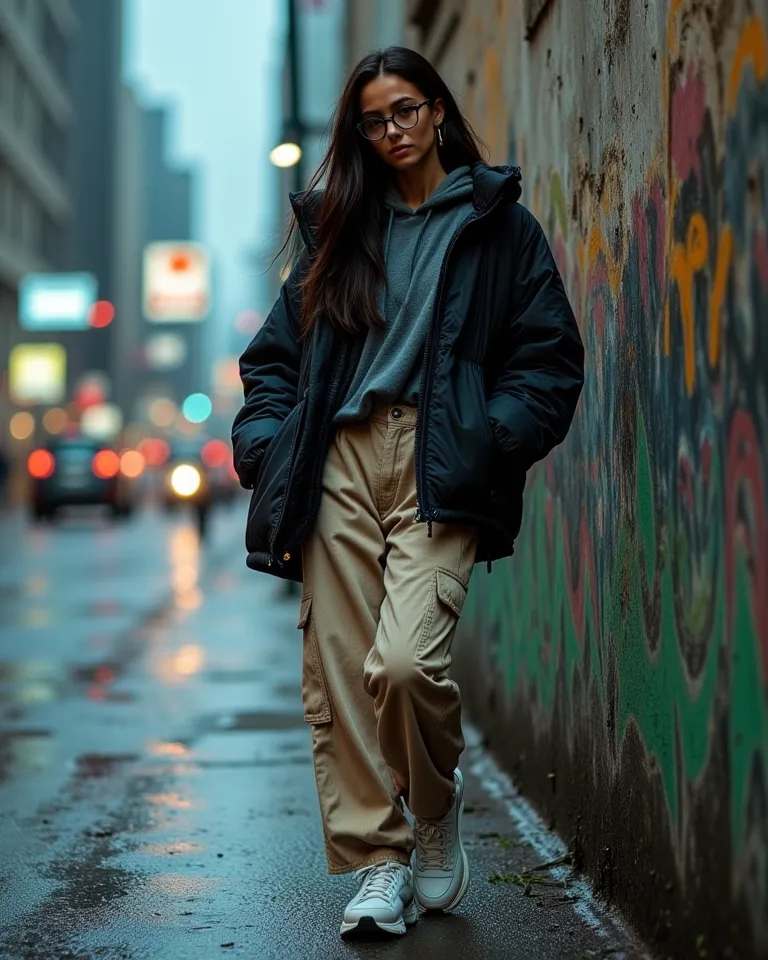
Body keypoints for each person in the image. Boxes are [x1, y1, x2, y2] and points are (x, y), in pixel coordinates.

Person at [233, 46, 584, 939]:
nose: (389, 131)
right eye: (371, 120)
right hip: (341, 459)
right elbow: (273, 363)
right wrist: (270, 447)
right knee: (344, 676)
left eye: (403, 111)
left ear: (437, 111)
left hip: (440, 460)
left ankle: (433, 806)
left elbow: (548, 358)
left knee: (402, 665)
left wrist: (485, 438)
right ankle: (378, 863)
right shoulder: (341, 229)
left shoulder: (497, 224)